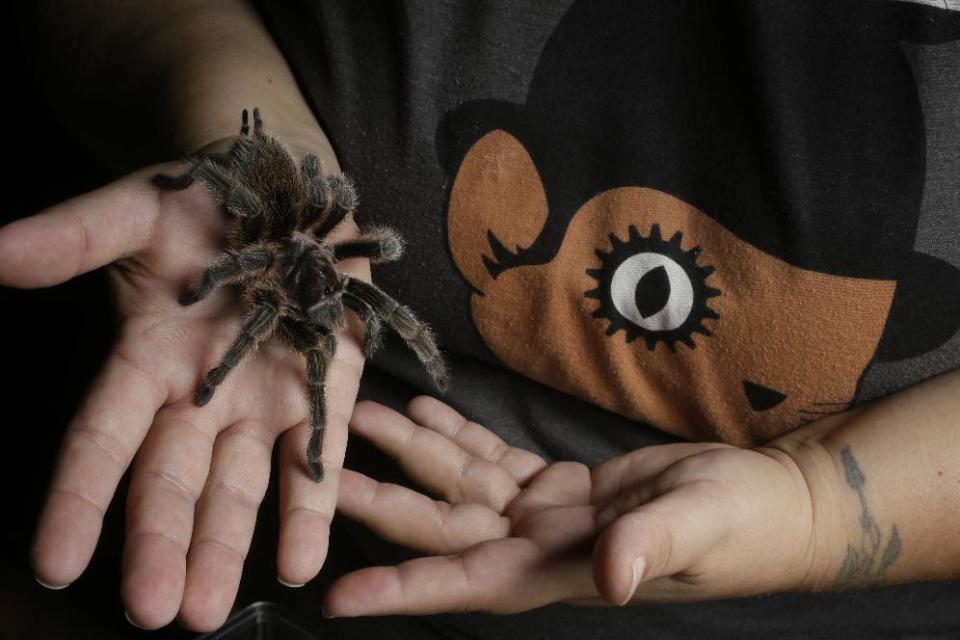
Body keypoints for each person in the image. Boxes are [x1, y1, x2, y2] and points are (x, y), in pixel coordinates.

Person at [4, 0, 958, 637]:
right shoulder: (282, 250)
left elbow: (355, 296)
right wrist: (224, 133)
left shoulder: (342, 282)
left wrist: (817, 506)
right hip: (268, 542)